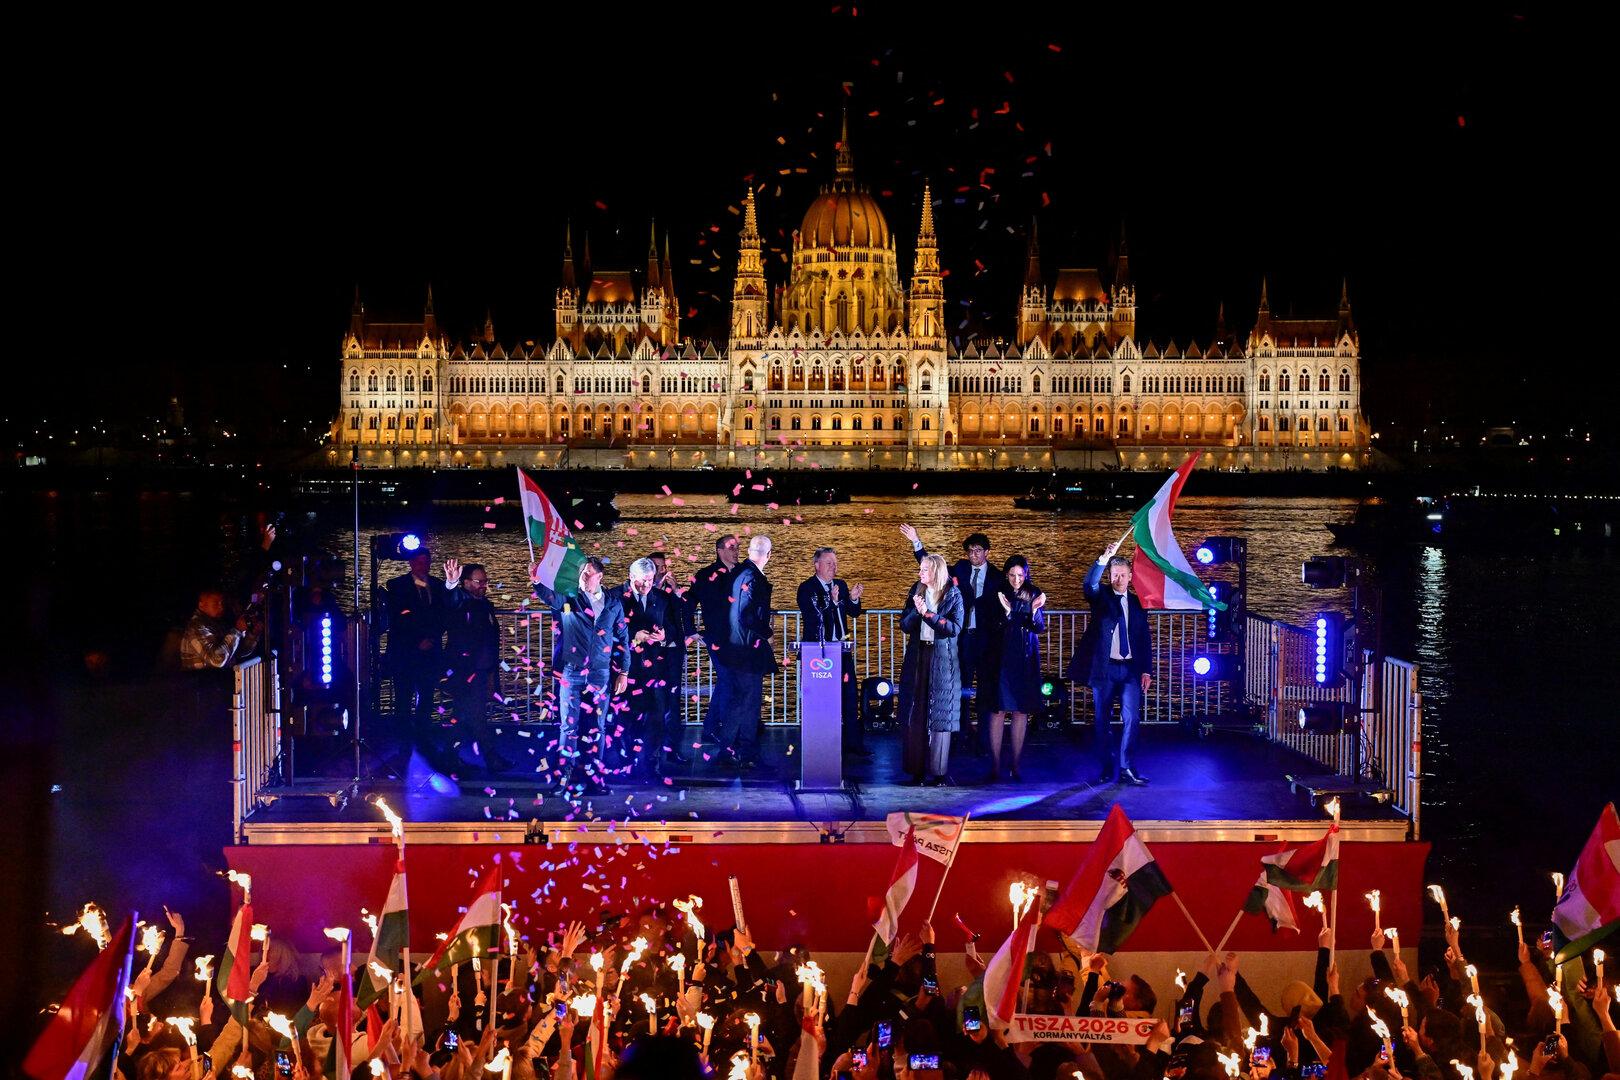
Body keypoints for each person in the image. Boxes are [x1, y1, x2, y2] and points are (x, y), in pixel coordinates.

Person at [529, 555, 628, 796]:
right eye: (581, 573)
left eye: (587, 574)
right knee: (568, 727)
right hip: (572, 672)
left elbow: (623, 637)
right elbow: (549, 596)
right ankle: (563, 778)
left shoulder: (614, 603)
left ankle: (595, 778)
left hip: (600, 674)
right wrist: (536, 582)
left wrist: (624, 671)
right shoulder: (570, 598)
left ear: (600, 577)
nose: (582, 578)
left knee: (599, 727)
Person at [899, 524, 1003, 751]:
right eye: (970, 551)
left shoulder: (997, 576)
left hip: (986, 642)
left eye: (978, 551)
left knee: (986, 689)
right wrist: (917, 542)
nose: (974, 555)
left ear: (987, 552)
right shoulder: (961, 570)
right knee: (959, 688)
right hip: (962, 638)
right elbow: (933, 568)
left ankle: (984, 737)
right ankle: (959, 733)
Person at [1070, 536, 1155, 785]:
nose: (1117, 579)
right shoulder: (1101, 597)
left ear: (1130, 577)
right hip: (1104, 668)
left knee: (1132, 718)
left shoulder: (1139, 603)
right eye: (1113, 575)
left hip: (1130, 670)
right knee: (1101, 719)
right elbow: (1089, 585)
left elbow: (1144, 638)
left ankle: (1127, 767)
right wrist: (1102, 560)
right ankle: (1107, 767)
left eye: (1122, 575)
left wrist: (1147, 670)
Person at [708, 535, 775, 771]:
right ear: (768, 555)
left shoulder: (738, 573)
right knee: (747, 701)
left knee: (743, 700)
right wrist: (766, 632)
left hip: (736, 649)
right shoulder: (752, 577)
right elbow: (747, 615)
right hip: (747, 650)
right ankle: (742, 752)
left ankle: (736, 752)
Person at [795, 546, 868, 758]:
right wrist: (833, 604)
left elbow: (853, 613)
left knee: (849, 696)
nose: (833, 568)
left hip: (841, 651)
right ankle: (819, 743)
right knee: (819, 700)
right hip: (817, 653)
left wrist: (853, 599)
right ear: (816, 565)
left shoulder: (841, 585)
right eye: (829, 563)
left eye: (835, 564)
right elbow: (813, 616)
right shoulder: (807, 588)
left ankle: (853, 744)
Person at [898, 553, 964, 786]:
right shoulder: (916, 591)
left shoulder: (953, 594)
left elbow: (955, 628)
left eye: (924, 570)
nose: (920, 573)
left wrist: (929, 613)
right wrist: (917, 612)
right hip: (918, 656)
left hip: (942, 659)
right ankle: (915, 769)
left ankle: (938, 772)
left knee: (940, 716)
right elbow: (903, 625)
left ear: (936, 571)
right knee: (916, 712)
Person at [621, 557, 688, 780]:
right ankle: (628, 760)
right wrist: (633, 636)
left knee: (657, 716)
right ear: (631, 577)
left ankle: (652, 762)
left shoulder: (662, 598)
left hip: (656, 669)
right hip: (628, 668)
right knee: (628, 716)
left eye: (650, 581)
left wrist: (664, 636)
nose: (646, 586)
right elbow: (607, 630)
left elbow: (673, 629)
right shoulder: (616, 597)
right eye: (642, 582)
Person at [443, 559, 510, 775]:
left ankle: (452, 758)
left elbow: (490, 640)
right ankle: (488, 758)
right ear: (466, 583)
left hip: (482, 670)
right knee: (472, 715)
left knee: (468, 716)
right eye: (479, 581)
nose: (484, 585)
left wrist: (492, 673)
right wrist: (451, 584)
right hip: (464, 671)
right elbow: (450, 603)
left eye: (485, 581)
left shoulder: (485, 605)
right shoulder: (461, 601)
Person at [990, 555, 1047, 781]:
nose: (1016, 580)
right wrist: (1007, 613)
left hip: (1025, 656)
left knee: (1021, 710)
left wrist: (1033, 611)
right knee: (998, 709)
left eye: (1020, 576)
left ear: (1026, 575)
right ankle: (995, 764)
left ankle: (1016, 763)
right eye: (1012, 575)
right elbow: (993, 625)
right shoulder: (998, 592)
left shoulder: (1033, 592)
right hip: (1002, 656)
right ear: (1006, 574)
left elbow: (1039, 626)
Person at [383, 548, 448, 740]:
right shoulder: (396, 585)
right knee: (403, 694)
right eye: (419, 562)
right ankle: (403, 735)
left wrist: (433, 638)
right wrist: (417, 641)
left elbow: (443, 616)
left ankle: (423, 732)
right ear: (411, 563)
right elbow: (399, 619)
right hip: (405, 651)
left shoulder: (437, 585)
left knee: (427, 694)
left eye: (426, 562)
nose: (423, 566)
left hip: (430, 651)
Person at [693, 534, 741, 745]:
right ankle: (717, 727)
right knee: (728, 680)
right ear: (720, 550)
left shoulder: (742, 572)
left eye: (738, 547)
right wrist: (691, 631)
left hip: (739, 640)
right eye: (732, 547)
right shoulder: (705, 575)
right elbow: (689, 602)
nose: (736, 551)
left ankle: (716, 727)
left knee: (730, 681)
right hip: (717, 638)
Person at [648, 551, 695, 769]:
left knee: (673, 704)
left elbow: (685, 613)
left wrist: (676, 591)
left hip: (673, 654)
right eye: (657, 567)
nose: (661, 571)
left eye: (663, 567)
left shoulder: (671, 592)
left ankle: (672, 749)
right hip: (652, 658)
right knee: (656, 704)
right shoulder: (645, 592)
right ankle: (653, 751)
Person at [180, 587, 255, 672]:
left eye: (222, 603)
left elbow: (237, 652)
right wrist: (237, 631)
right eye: (215, 603)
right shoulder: (196, 627)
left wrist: (253, 634)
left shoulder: (217, 623)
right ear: (201, 605)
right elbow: (217, 661)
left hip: (214, 681)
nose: (221, 607)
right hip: (201, 683)